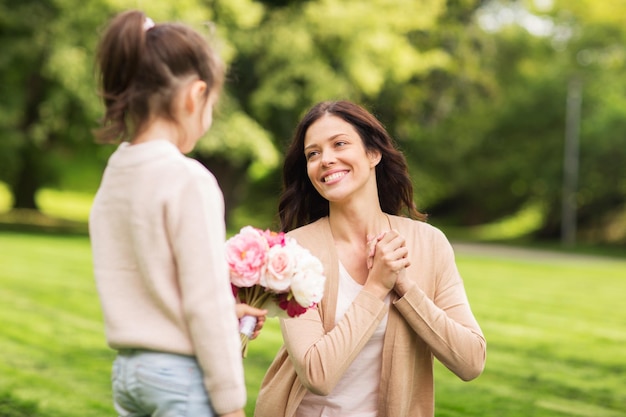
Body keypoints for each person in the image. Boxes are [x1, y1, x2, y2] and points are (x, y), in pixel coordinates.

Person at [254, 100, 486, 417]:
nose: (326, 160)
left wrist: (404, 286)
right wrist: (376, 287)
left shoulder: (429, 244)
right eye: (313, 153)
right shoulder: (293, 251)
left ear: (373, 153)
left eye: (340, 144)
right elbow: (316, 374)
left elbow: (471, 361)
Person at [89, 10, 266, 417]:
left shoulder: (116, 174)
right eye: (212, 105)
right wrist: (231, 404)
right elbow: (205, 301)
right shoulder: (189, 179)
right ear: (194, 95)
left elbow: (146, 280)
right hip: (180, 379)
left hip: (130, 372)